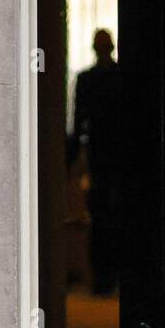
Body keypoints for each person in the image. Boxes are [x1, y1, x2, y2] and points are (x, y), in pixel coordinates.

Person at [72, 28, 121, 295]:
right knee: (109, 217)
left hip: (102, 154)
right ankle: (107, 276)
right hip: (112, 155)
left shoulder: (88, 79)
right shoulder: (116, 77)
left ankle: (104, 277)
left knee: (102, 218)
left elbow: (80, 121)